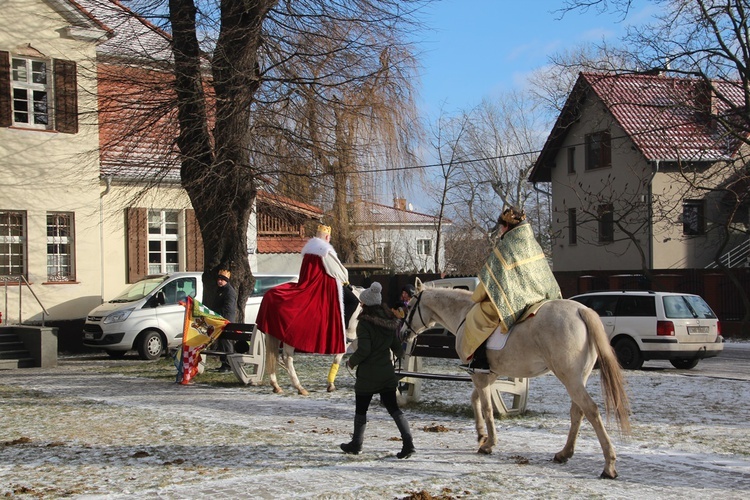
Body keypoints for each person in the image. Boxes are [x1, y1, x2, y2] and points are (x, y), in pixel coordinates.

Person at [459, 207, 562, 373]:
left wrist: (477, 297)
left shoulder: (506, 247)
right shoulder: (533, 245)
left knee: (478, 316)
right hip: (541, 297)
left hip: (517, 300)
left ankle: (480, 361)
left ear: (507, 227)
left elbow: (489, 280)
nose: (501, 230)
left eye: (502, 226)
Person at [340, 282, 415, 459]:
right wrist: (401, 353)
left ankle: (356, 444)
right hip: (386, 375)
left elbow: (364, 350)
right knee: (394, 409)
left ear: (366, 304)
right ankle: (408, 443)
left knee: (361, 410)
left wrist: (352, 361)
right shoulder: (390, 321)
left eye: (362, 303)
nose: (360, 305)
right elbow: (397, 347)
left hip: (368, 377)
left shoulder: (364, 324)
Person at [257, 224, 358, 354]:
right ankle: (341, 330)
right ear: (327, 237)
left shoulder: (309, 250)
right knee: (353, 301)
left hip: (307, 284)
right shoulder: (325, 250)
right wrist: (346, 282)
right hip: (324, 287)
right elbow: (338, 272)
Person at [209, 268, 237, 373]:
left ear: (226, 281)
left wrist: (216, 314)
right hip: (220, 321)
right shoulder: (219, 290)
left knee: (226, 343)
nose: (220, 281)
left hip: (226, 321)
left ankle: (228, 365)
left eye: (222, 279)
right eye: (219, 279)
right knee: (221, 342)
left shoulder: (229, 292)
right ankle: (223, 363)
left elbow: (228, 308)